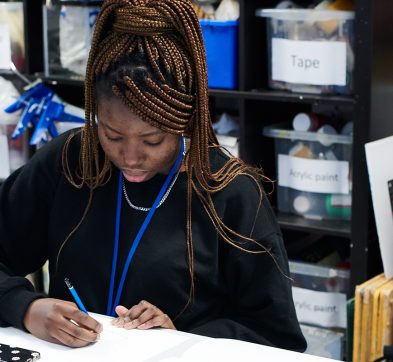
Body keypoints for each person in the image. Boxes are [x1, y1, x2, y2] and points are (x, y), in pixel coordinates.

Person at [0, 0, 306, 351]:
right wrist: (25, 307)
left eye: (153, 140)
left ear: (184, 121)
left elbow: (277, 339)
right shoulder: (71, 163)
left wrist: (184, 338)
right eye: (112, 135)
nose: (129, 157)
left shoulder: (231, 192)